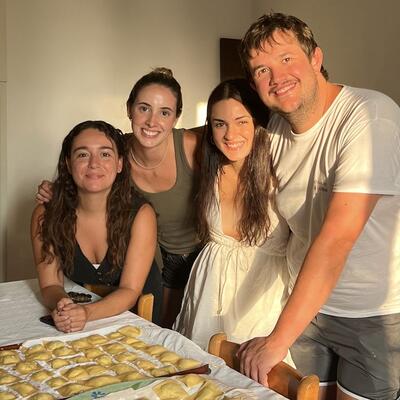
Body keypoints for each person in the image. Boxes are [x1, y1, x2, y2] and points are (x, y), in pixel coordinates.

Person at [237, 12, 400, 400]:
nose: (277, 77)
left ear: (315, 58)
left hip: (374, 315)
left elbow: (337, 240)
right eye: (262, 70)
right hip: (307, 311)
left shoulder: (370, 115)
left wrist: (277, 339)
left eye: (286, 59)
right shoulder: (274, 130)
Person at [36, 68, 203, 328]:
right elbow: (87, 164)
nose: (151, 121)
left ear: (176, 117)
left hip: (196, 251)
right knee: (165, 325)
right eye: (144, 108)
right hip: (154, 254)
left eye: (164, 112)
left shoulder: (192, 148)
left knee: (189, 331)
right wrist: (57, 190)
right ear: (129, 109)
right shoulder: (117, 147)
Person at [174, 79, 290, 358]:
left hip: (264, 299)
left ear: (258, 122)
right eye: (219, 124)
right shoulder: (206, 166)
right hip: (208, 295)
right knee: (199, 371)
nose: (230, 134)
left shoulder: (281, 169)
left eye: (241, 122)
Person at [31, 120, 157, 333]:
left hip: (137, 318)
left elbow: (130, 290)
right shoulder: (45, 215)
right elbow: (50, 284)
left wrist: (85, 313)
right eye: (82, 154)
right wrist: (64, 306)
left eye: (105, 154)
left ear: (119, 164)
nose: (94, 163)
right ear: (68, 164)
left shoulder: (141, 215)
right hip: (82, 319)